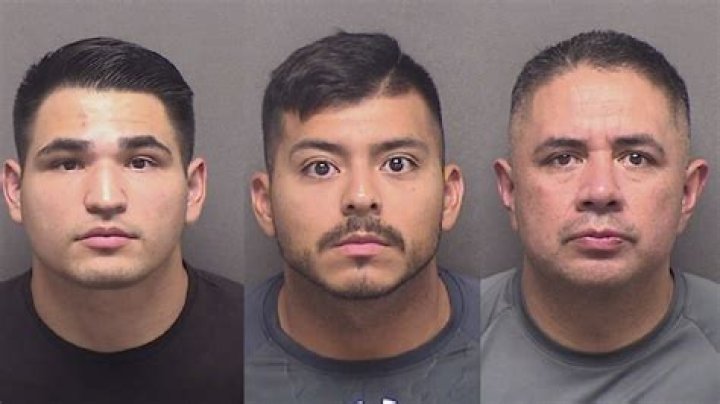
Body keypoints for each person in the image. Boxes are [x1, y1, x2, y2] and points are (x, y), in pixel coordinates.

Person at [0, 37, 243, 403]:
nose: (105, 198)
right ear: (15, 191)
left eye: (141, 162)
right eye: (67, 163)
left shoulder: (264, 353)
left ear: (193, 189)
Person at [483, 30, 719, 403]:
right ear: (510, 190)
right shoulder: (440, 347)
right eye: (563, 158)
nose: (600, 191)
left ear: (687, 192)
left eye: (636, 158)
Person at [246, 31, 478, 403]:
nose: (360, 197)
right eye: (320, 167)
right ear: (265, 203)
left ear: (449, 196)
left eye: (397, 163)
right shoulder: (217, 360)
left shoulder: (509, 351)